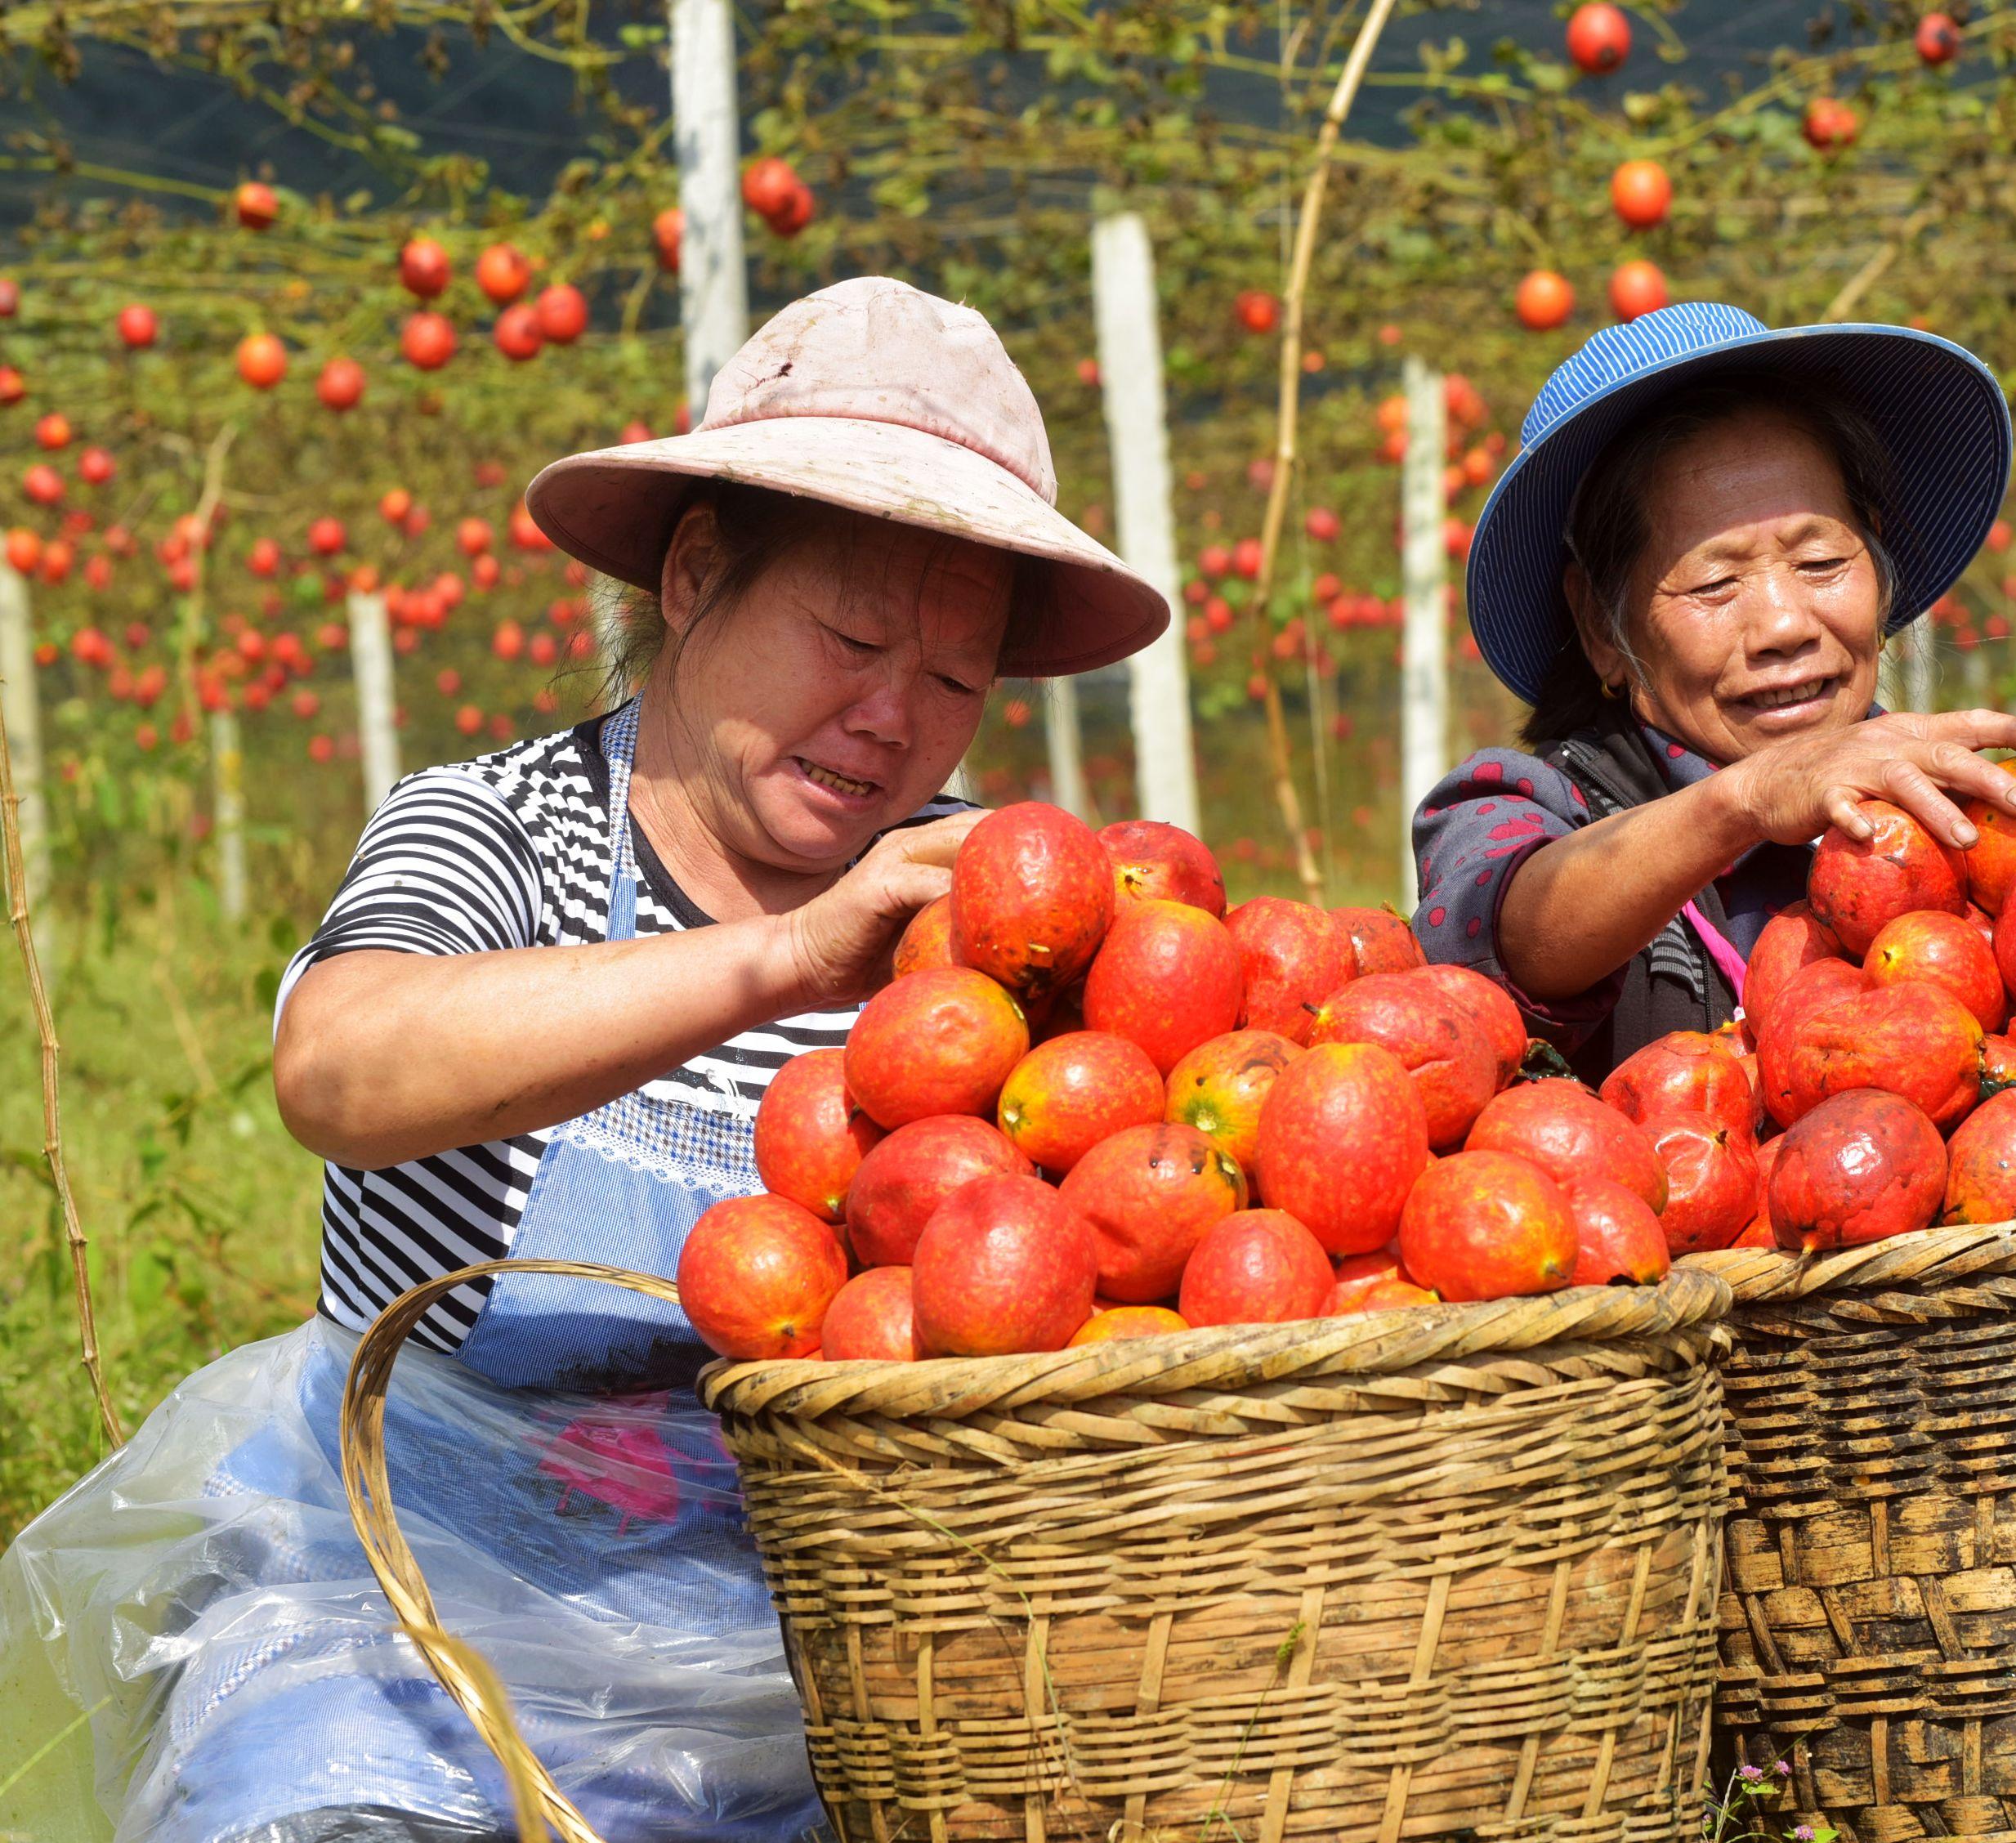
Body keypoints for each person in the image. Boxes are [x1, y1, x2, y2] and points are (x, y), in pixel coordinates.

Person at [0, 278, 1167, 1842]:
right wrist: (783, 960)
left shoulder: (985, 927)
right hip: (398, 1662)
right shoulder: (497, 833)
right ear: (694, 576)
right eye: (847, 635)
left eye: (956, 680)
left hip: (812, 1707)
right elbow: (338, 1072)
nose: (892, 718)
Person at [1414, 300, 2016, 1082]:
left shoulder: (1968, 810)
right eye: (1716, 582)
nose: (1784, 624)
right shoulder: (1520, 808)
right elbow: (1504, 936)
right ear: (1601, 629)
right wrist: (1747, 799)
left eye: (1822, 563)